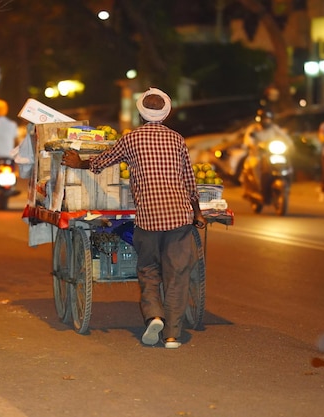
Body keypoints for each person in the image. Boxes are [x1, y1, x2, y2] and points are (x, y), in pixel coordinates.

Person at [62, 87, 206, 349]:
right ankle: (172, 335)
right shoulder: (177, 139)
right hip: (178, 216)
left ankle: (154, 316)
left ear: (140, 113)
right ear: (167, 112)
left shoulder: (131, 139)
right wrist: (197, 212)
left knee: (149, 271)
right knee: (177, 275)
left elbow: (103, 161)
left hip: (149, 219)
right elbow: (189, 181)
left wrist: (78, 163)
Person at [241, 109, 293, 191]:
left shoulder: (274, 128)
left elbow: (284, 136)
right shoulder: (253, 129)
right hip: (257, 154)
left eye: (268, 119)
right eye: (265, 119)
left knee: (287, 162)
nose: (267, 121)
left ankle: (288, 184)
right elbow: (248, 139)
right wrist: (251, 145)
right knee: (256, 165)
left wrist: (290, 144)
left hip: (272, 154)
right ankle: (259, 186)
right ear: (261, 120)